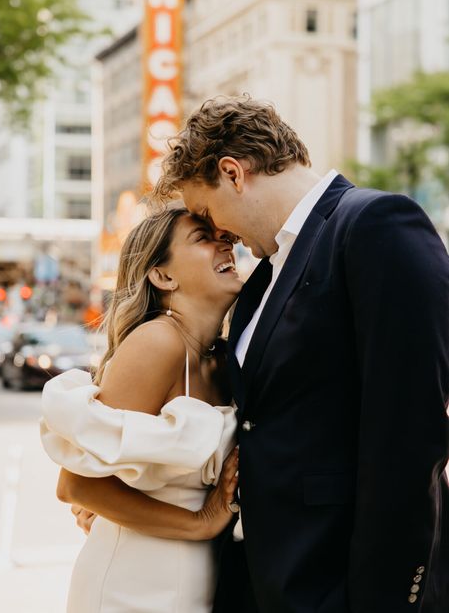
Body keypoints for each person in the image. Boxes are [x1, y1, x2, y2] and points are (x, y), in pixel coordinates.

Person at [150, 95, 449, 613]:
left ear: (233, 173)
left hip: (340, 583)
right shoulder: (263, 274)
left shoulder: (375, 224)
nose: (218, 232)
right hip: (257, 579)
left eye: (205, 211)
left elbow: (410, 434)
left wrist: (387, 598)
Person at [40, 206, 242, 612]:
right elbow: (77, 486)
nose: (227, 242)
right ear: (164, 276)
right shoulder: (158, 342)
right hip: (131, 585)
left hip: (197, 580)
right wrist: (201, 522)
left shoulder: (220, 357)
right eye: (203, 237)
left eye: (225, 236)